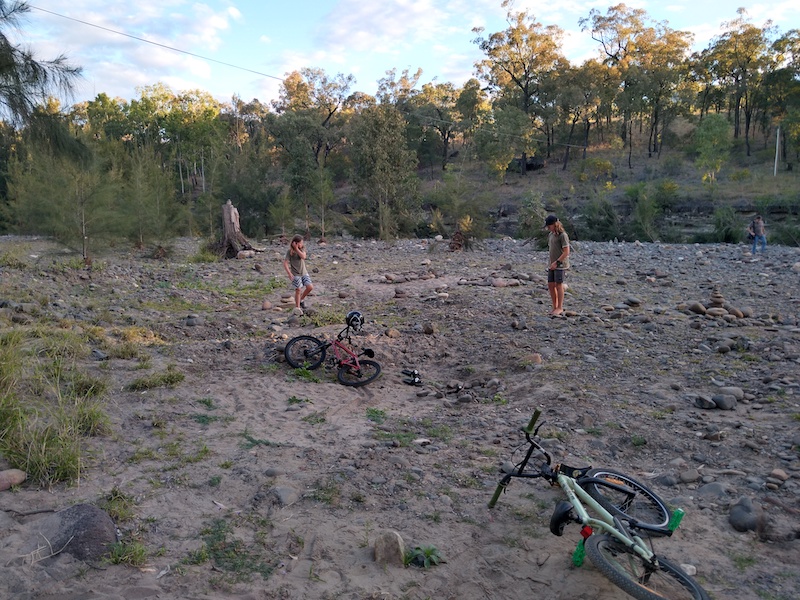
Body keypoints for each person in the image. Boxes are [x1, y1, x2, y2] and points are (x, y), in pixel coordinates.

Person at [544, 214, 570, 316]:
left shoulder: (563, 235)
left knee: (558, 285)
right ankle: (554, 306)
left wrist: (557, 262)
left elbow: (566, 252)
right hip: (552, 264)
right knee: (550, 284)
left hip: (560, 264)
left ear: (555, 224)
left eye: (549, 226)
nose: (548, 228)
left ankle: (560, 307)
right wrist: (551, 263)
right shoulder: (551, 235)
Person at [283, 235, 313, 310]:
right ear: (295, 243)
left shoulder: (302, 249)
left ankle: (301, 299)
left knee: (310, 287)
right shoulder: (290, 252)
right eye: (300, 243)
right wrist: (289, 273)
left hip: (304, 272)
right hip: (296, 274)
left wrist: (297, 249)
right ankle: (298, 307)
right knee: (298, 290)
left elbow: (303, 257)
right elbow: (285, 263)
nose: (302, 244)